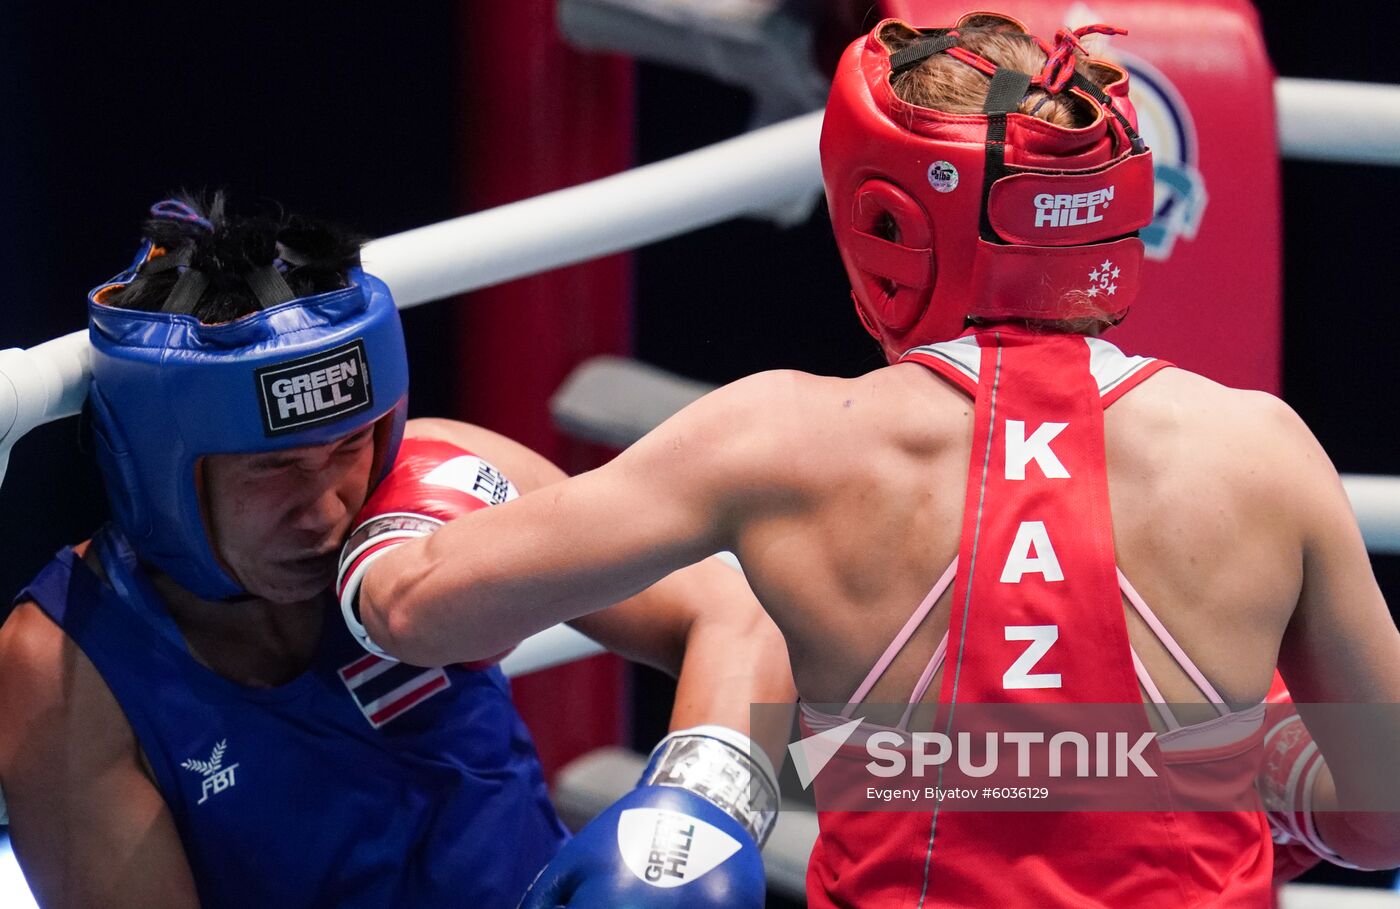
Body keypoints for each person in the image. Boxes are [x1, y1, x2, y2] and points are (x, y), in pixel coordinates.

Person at [344, 12, 1400, 907]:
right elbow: (1378, 814)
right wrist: (1213, 759)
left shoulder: (784, 440)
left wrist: (417, 476)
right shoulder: (1261, 452)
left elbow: (422, 612)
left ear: (884, 223)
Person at [0, 194, 793, 908]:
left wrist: (695, 814)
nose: (326, 507)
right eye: (274, 468)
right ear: (157, 464)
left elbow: (736, 615)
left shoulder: (443, 492)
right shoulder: (67, 667)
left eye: (348, 446)